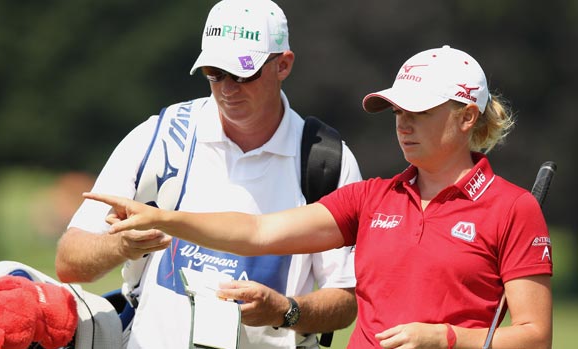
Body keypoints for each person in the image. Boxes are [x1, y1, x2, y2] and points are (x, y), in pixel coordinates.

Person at [84, 45, 553, 349]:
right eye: (396, 110)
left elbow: (535, 336)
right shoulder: (372, 198)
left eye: (419, 111)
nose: (402, 123)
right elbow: (258, 232)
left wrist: (444, 338)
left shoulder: (513, 208)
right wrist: (165, 218)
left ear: (467, 117)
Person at [55, 0, 362, 348]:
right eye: (214, 74)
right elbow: (70, 263)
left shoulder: (325, 159)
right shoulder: (159, 136)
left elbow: (346, 299)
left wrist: (284, 311)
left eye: (244, 74)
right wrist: (121, 246)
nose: (228, 89)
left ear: (284, 65)